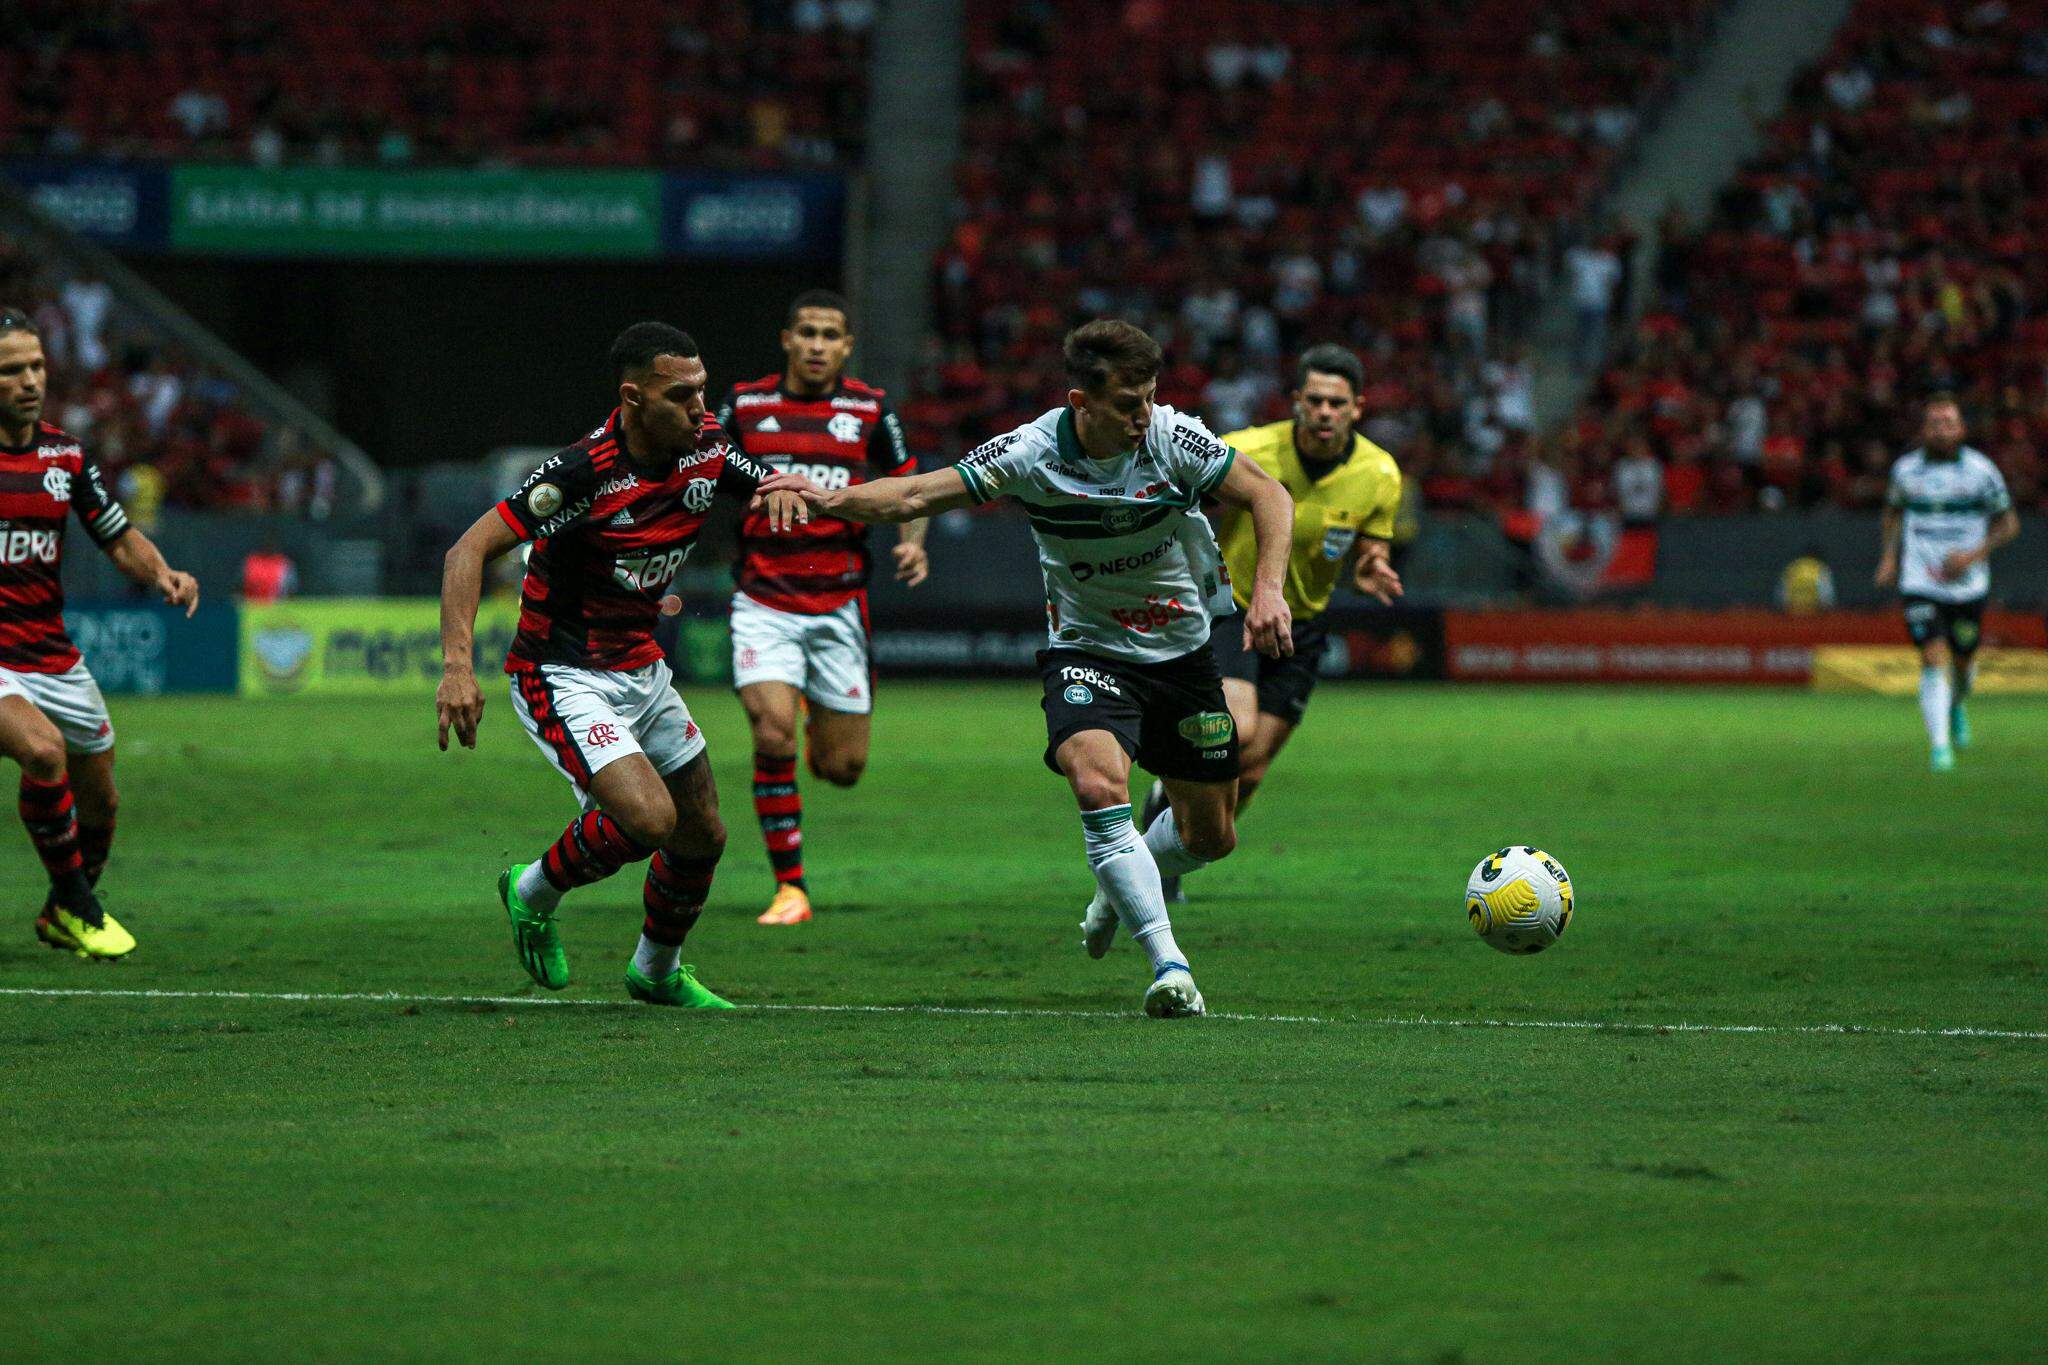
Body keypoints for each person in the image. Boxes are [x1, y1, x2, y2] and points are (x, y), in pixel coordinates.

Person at [759, 320, 1296, 1018]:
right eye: (1128, 403)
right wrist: (832, 498)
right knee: (1098, 781)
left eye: (1150, 397)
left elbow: (1269, 495)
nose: (1144, 415)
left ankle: (1120, 878)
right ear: (1082, 401)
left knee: (1212, 836)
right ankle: (1170, 964)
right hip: (1087, 647)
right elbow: (920, 493)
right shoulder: (1031, 450)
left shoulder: (1173, 437)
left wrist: (1268, 590)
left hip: (1183, 652)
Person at [435, 322, 803, 1006]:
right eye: (681, 396)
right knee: (649, 820)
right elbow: (466, 551)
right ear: (633, 399)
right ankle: (530, 890)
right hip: (563, 673)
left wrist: (780, 486)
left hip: (642, 666)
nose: (701, 409)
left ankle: (656, 972)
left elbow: (759, 478)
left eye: (702, 390)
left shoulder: (707, 446)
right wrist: (458, 666)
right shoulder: (581, 472)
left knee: (703, 832)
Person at [1137, 344, 1404, 898]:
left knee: (1251, 770)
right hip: (1231, 609)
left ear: (1358, 407)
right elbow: (1179, 498)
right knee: (1240, 730)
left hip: (1303, 623)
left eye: (1337, 402)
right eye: (1315, 400)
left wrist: (1372, 567)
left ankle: (1172, 823)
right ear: (1296, 403)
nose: (1325, 412)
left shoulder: (1379, 473)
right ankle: (1170, 829)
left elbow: (1367, 550)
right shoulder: (1249, 449)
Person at [713, 290, 927, 927]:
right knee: (771, 732)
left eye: (829, 335)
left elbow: (911, 483)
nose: (815, 344)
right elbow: (702, 465)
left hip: (840, 603)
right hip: (764, 598)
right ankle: (791, 888)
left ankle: (815, 722)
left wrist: (913, 546)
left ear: (846, 346)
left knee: (842, 768)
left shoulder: (870, 409)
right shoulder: (746, 405)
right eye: (805, 332)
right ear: (786, 339)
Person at [0, 306, 200, 959]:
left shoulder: (64, 455)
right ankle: (84, 907)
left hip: (51, 653)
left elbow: (116, 537)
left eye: (35, 366)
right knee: (43, 751)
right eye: (11, 370)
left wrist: (164, 573)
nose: (28, 380)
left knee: (102, 797)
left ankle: (63, 907)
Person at [1874, 395, 2020, 771]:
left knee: (1963, 662)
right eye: (1934, 422)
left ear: (1961, 429)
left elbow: (2008, 524)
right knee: (1932, 654)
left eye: (1948, 422)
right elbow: (1893, 513)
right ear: (1924, 430)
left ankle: (1957, 704)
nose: (1941, 429)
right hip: (1920, 580)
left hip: (1968, 584)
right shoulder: (1905, 471)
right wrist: (1890, 558)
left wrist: (1972, 556)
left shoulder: (1981, 471)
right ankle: (1940, 748)